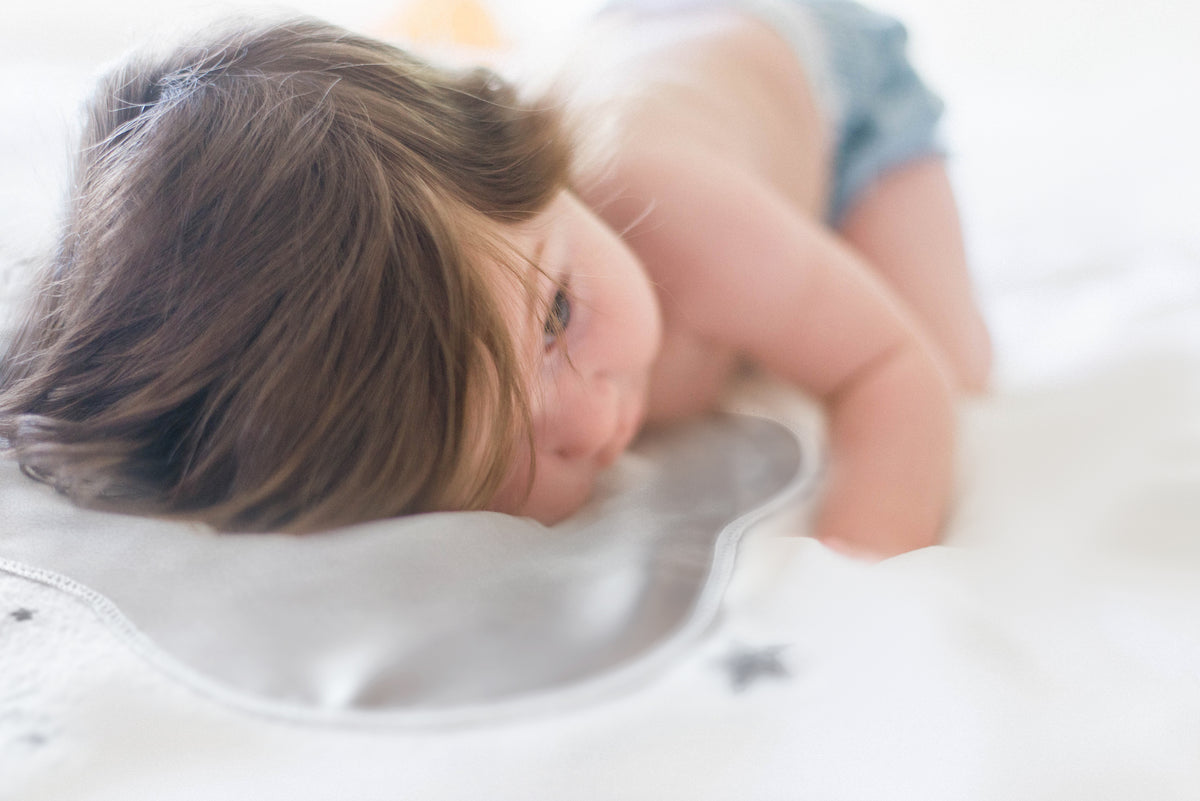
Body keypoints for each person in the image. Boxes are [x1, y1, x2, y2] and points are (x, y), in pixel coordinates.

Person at [0, 1, 989, 556]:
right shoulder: (459, 307)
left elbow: (892, 374)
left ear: (531, 152)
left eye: (558, 314)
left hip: (823, 74)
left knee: (961, 366)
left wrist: (856, 571)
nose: (590, 418)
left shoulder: (671, 202)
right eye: (497, 455)